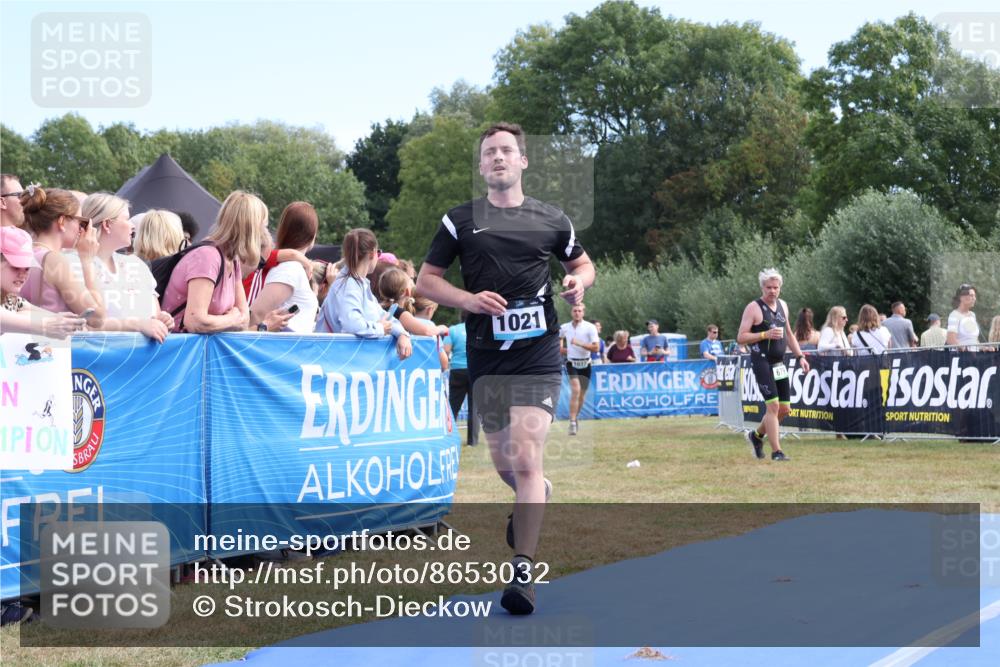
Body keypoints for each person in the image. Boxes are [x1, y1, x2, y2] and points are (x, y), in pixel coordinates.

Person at [416, 122, 594, 615]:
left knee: (528, 459)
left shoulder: (552, 219)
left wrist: (578, 284)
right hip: (488, 358)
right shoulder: (459, 222)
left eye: (506, 150)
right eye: (489, 152)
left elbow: (583, 265)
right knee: (507, 467)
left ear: (522, 161)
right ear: (480, 166)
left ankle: (522, 571)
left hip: (537, 356)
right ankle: (538, 494)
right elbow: (426, 281)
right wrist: (469, 299)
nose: (498, 157)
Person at [161, 191, 273, 333]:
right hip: (180, 350)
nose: (264, 232)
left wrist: (230, 320)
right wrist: (231, 319)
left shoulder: (232, 260)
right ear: (250, 228)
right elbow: (195, 321)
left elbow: (244, 319)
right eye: (263, 226)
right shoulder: (207, 257)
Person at [737, 268, 811, 462]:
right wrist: (764, 335)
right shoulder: (753, 308)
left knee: (785, 409)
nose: (772, 291)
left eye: (776, 287)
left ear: (780, 288)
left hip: (779, 363)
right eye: (769, 287)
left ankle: (756, 436)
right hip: (762, 362)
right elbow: (741, 338)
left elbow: (789, 334)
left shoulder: (783, 306)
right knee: (773, 407)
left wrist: (800, 357)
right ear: (762, 287)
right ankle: (777, 451)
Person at [80, 193, 173, 342]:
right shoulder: (75, 265)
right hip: (99, 359)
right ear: (107, 224)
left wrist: (162, 320)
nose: (133, 225)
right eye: (126, 219)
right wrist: (138, 324)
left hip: (145, 359)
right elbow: (82, 323)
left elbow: (154, 314)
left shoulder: (137, 264)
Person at [316, 228, 412, 361]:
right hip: (334, 362)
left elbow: (384, 316)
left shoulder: (357, 283)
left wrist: (402, 334)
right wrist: (379, 328)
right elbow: (351, 324)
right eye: (378, 252)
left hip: (339, 362)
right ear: (373, 254)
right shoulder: (349, 285)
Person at [20, 185, 105, 329]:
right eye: (81, 222)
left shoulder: (21, 253)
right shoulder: (53, 259)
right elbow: (97, 318)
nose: (82, 229)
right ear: (61, 221)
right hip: (51, 347)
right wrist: (87, 260)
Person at [1, 226, 84, 338]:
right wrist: (47, 326)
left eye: (27, 268)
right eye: (16, 267)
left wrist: (66, 322)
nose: (23, 274)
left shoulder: (11, 299)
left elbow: (25, 309)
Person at [249, 202, 320, 333]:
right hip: (282, 348)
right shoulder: (290, 268)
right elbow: (257, 314)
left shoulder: (290, 266)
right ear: (312, 234)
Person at [559, 303, 599, 436]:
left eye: (579, 311)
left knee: (582, 395)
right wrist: (562, 349)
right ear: (572, 312)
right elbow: (558, 342)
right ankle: (572, 423)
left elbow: (596, 348)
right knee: (575, 390)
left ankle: (575, 418)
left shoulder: (590, 327)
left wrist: (579, 343)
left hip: (586, 363)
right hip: (571, 363)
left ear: (583, 313)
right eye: (575, 310)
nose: (577, 313)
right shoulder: (565, 327)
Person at [443, 313, 480, 447]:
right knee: (474, 407)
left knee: (453, 406)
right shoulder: (478, 328)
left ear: (461, 317)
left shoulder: (452, 330)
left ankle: (447, 437)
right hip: (475, 370)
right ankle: (472, 441)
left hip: (457, 370)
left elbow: (446, 350)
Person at [378, 267, 448, 338]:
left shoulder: (379, 307)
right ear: (407, 291)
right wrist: (442, 328)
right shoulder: (400, 314)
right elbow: (426, 331)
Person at [946, 284, 981, 350]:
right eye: (971, 295)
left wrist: (984, 348)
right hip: (962, 357)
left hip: (974, 357)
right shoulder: (954, 315)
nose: (974, 298)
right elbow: (950, 340)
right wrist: (965, 350)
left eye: (974, 296)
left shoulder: (972, 315)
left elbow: (974, 340)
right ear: (961, 297)